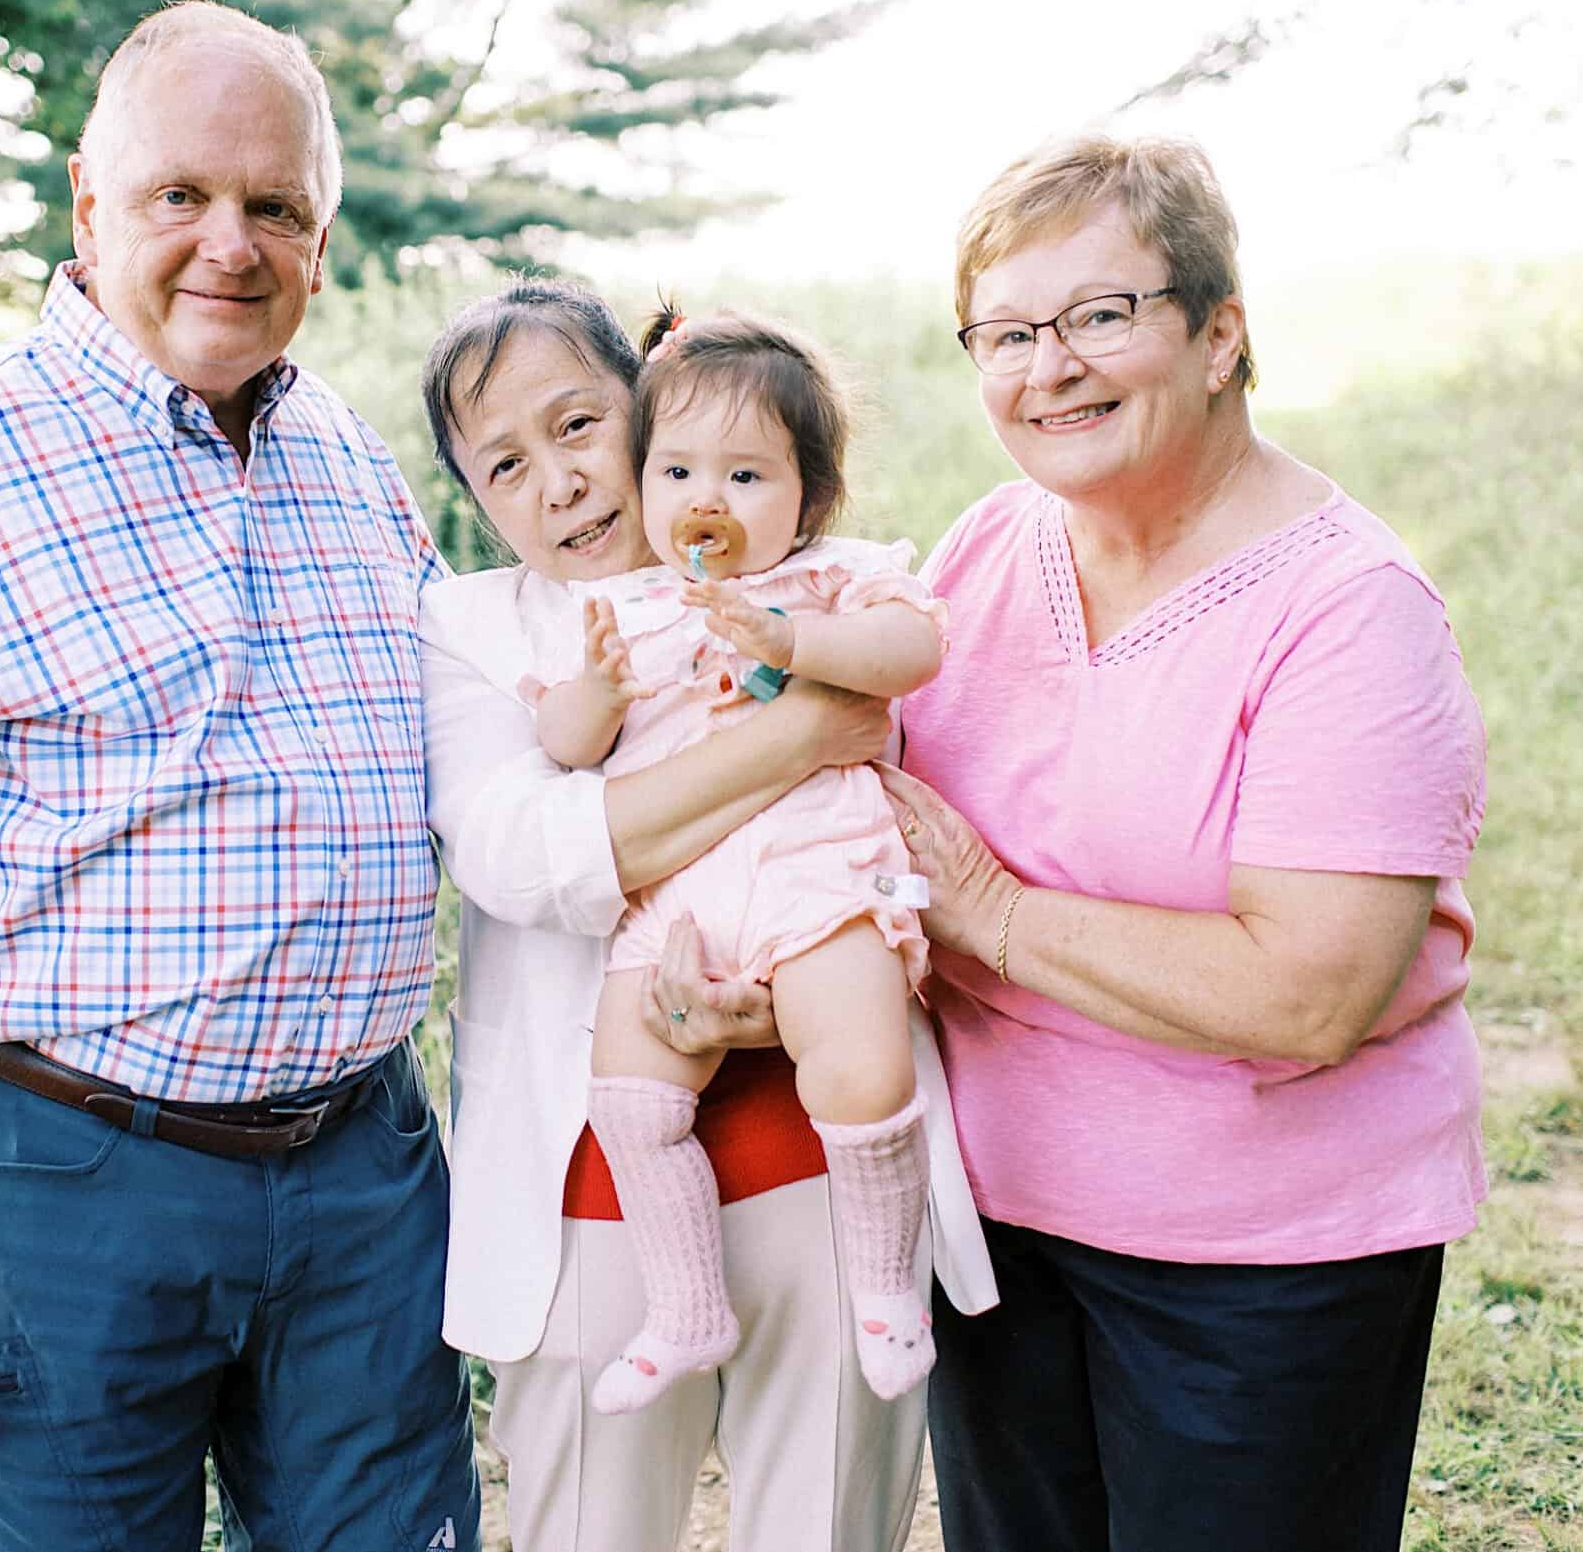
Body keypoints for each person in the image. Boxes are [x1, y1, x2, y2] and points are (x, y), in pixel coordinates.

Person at [0, 0, 482, 1551]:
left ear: (323, 240)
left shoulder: (347, 458)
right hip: (73, 1183)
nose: (232, 243)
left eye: (276, 205)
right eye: (182, 196)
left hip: (365, 1172)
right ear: (90, 202)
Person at [877, 131, 1488, 1552]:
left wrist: (996, 914)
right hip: (994, 1232)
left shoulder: (1347, 609)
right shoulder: (983, 548)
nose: (1050, 367)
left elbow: (1311, 991)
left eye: (1102, 315)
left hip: (1262, 1267)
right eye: (1009, 332)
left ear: (1221, 336)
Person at [418, 282, 998, 1549]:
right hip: (595, 1178)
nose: (560, 483)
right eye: (506, 464)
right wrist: (803, 732)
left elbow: (899, 752)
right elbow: (525, 858)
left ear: (649, 405)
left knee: (831, 1518)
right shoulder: (471, 630)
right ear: (473, 495)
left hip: (826, 1148)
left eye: (580, 426)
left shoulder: (812, 584)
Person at [528, 307, 948, 1413]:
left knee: (860, 1068)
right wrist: (599, 696)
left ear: (808, 499)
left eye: (747, 476)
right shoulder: (617, 607)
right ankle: (685, 1307)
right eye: (676, 469)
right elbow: (565, 752)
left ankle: (881, 1287)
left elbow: (916, 647)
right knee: (628, 1095)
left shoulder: (827, 581)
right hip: (679, 895)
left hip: (815, 864)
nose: (706, 499)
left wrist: (791, 642)